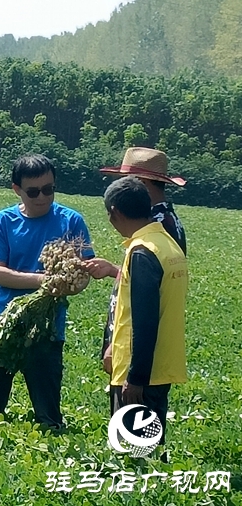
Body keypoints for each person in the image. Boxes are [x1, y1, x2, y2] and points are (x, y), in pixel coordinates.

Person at [0, 153, 94, 427]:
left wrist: (70, 284)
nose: (42, 197)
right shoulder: (3, 221)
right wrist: (44, 282)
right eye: (33, 191)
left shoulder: (71, 221)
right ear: (16, 189)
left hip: (48, 328)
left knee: (49, 418)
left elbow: (84, 273)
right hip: (2, 322)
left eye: (49, 189)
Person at [98, 176, 188, 453]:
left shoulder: (141, 253)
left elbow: (145, 320)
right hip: (162, 365)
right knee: (151, 445)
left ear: (114, 212)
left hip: (140, 373)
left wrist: (135, 377)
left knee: (134, 452)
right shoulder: (166, 243)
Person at [85, 146, 187, 378]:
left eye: (127, 180)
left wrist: (119, 348)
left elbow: (149, 291)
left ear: (142, 183)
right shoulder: (164, 219)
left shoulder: (159, 223)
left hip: (137, 350)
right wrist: (113, 270)